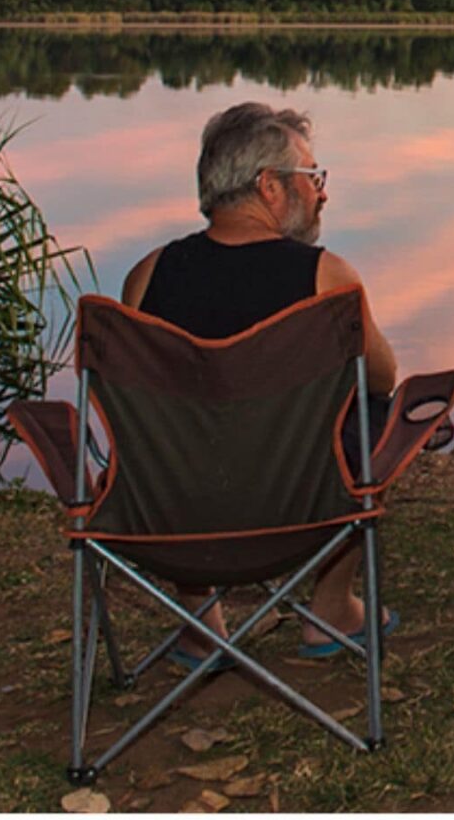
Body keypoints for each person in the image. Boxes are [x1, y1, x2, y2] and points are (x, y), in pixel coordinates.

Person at [119, 102, 399, 663]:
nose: (322, 193)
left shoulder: (147, 276)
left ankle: (202, 622)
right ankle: (331, 607)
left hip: (174, 519)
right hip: (298, 507)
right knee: (383, 412)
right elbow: (382, 376)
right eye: (313, 177)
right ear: (270, 187)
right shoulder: (326, 279)